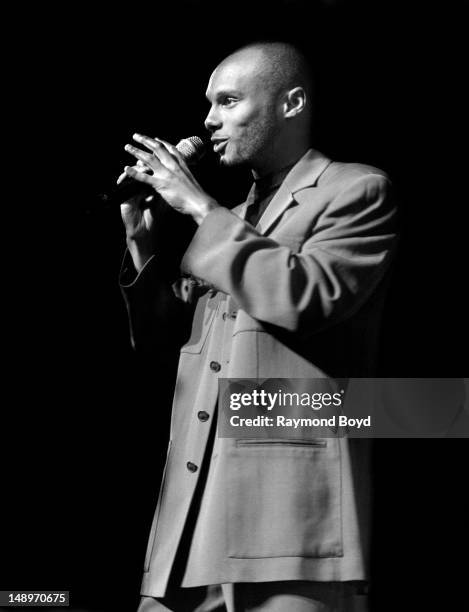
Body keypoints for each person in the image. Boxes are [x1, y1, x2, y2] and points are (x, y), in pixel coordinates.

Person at [119, 41, 398, 612]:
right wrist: (142, 242)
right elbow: (166, 343)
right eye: (208, 104)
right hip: (189, 529)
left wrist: (199, 210)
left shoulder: (357, 189)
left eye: (227, 101)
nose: (208, 120)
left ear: (291, 102)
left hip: (286, 524)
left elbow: (308, 298)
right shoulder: (234, 219)